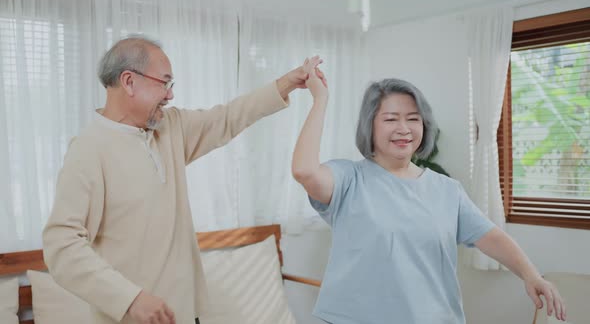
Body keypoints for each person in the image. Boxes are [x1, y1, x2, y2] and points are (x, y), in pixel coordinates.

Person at [42, 35, 320, 324]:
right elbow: (61, 246)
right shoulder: (89, 149)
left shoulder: (170, 127)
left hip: (186, 315)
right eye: (164, 82)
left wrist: (286, 83)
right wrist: (130, 299)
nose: (170, 94)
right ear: (129, 81)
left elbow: (227, 117)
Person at [291, 61, 567, 324]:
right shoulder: (348, 178)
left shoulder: (446, 189)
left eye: (413, 119)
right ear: (370, 125)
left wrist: (532, 276)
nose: (404, 129)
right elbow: (304, 171)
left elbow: (491, 236)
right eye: (390, 119)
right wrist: (320, 100)